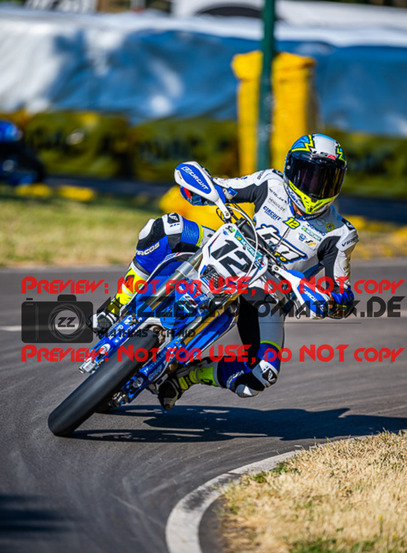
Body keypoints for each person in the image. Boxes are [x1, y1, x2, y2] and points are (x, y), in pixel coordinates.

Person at [92, 133, 358, 410]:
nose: (316, 187)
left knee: (262, 374)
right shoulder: (270, 182)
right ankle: (118, 304)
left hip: (268, 294)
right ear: (291, 168)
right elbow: (222, 188)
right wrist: (201, 189)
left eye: (326, 179)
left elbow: (342, 292)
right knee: (163, 228)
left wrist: (330, 301)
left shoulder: (341, 233)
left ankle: (188, 376)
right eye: (309, 175)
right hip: (230, 247)